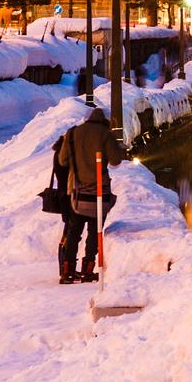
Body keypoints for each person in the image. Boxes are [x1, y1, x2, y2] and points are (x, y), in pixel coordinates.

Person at [52, 103, 123, 284]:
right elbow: (116, 160)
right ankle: (88, 269)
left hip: (76, 192)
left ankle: (67, 271)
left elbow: (62, 160)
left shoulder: (73, 133)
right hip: (99, 192)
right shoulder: (106, 134)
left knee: (74, 231)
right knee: (94, 230)